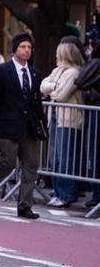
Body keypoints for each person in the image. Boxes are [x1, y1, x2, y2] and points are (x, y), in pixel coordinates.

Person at [0, 33, 43, 219]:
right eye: (23, 47)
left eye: (29, 47)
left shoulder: (35, 74)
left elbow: (37, 104)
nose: (26, 50)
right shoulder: (0, 71)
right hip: (7, 126)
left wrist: (41, 126)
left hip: (29, 127)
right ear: (15, 49)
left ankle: (25, 206)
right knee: (8, 162)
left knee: (31, 166)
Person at [41, 40, 86, 208]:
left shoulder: (74, 72)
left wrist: (52, 88)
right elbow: (42, 85)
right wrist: (55, 86)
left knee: (66, 158)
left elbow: (60, 95)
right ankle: (58, 191)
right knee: (55, 157)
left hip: (69, 120)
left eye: (58, 52)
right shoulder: (58, 70)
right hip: (56, 118)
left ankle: (66, 194)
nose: (55, 55)